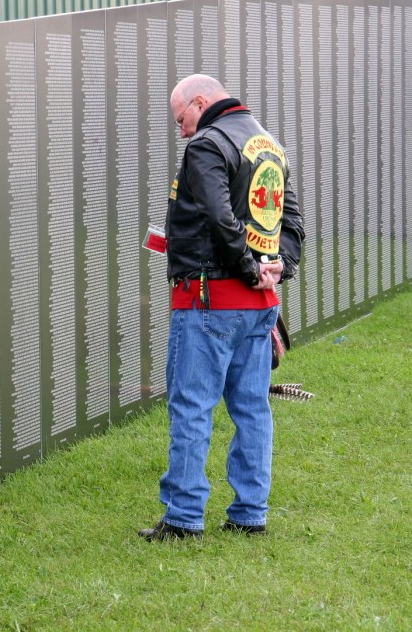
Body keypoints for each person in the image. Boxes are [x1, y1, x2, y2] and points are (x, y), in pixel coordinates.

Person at [139, 74, 304, 541]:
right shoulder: (266, 142)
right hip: (259, 306)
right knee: (252, 408)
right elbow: (291, 221)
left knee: (191, 406)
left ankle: (183, 518)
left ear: (200, 101)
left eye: (181, 118)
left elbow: (218, 215)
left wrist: (249, 268)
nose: (182, 131)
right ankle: (250, 514)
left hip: (210, 298)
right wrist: (277, 268)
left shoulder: (207, 145)